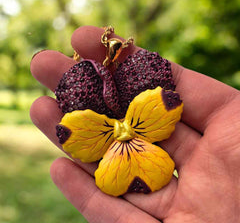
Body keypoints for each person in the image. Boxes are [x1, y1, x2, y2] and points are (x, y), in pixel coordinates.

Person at [30, 26, 240, 223]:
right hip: (133, 125)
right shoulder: (142, 91)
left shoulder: (140, 86)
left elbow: (75, 132)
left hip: (112, 132)